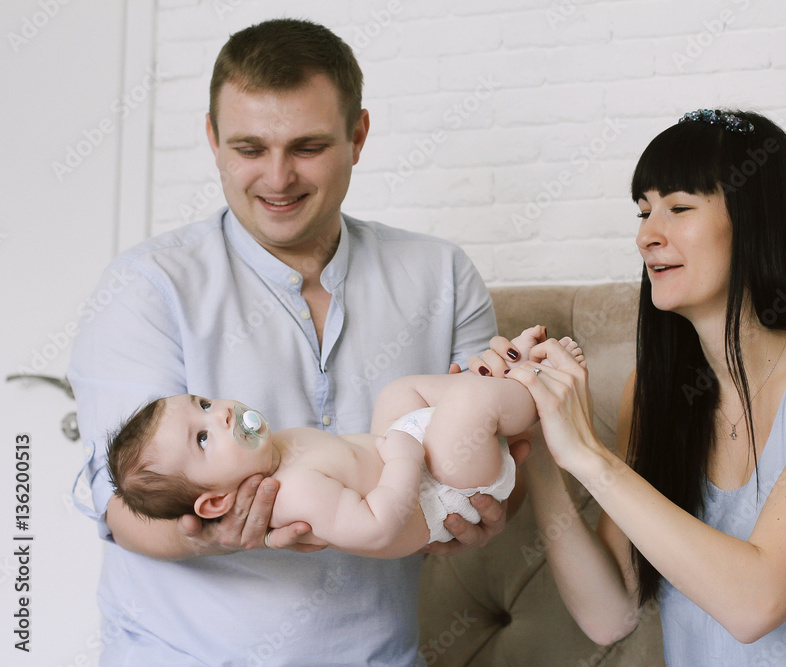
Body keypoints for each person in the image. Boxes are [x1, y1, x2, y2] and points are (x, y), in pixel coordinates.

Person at [68, 18, 521, 665]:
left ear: (358, 135)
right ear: (212, 140)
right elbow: (119, 502)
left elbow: (500, 448)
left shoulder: (441, 275)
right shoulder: (145, 287)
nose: (277, 177)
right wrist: (210, 535)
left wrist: (491, 503)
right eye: (250, 148)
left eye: (306, 146)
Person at [490, 110, 786, 665]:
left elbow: (757, 602)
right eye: (643, 212)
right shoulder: (655, 392)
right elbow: (608, 613)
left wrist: (590, 455)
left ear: (757, 219)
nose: (646, 236)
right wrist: (545, 449)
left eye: (679, 207)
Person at [106, 335, 583, 556]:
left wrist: (399, 443)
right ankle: (537, 385)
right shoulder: (292, 495)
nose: (222, 413)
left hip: (409, 457)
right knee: (467, 407)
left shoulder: (276, 449)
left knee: (397, 392)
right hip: (434, 498)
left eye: (205, 403)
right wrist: (401, 457)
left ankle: (498, 383)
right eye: (204, 437)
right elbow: (377, 528)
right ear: (214, 502)